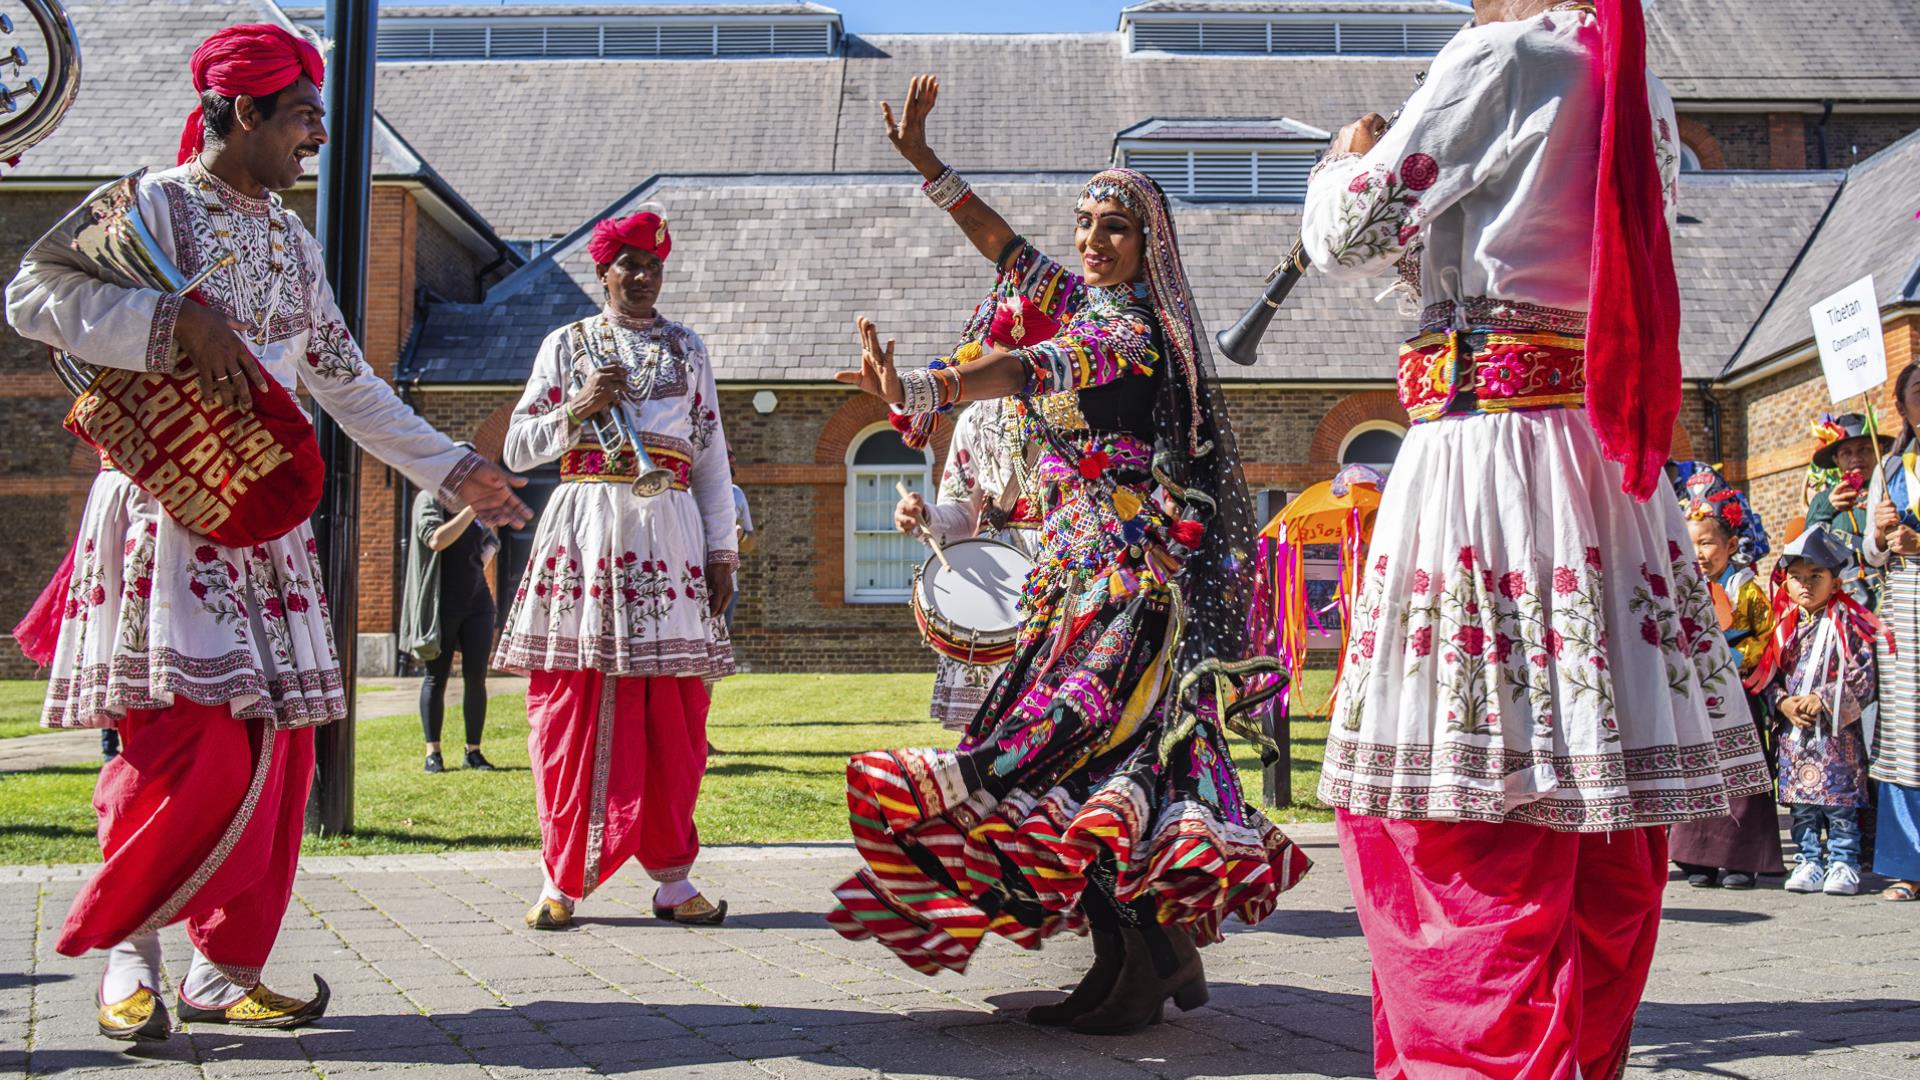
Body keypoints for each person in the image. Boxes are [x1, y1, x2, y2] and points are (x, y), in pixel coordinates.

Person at [2, 24, 531, 1043]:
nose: (317, 137)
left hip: (263, 527)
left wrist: (456, 465)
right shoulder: (151, 204)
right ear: (242, 112)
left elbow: (347, 385)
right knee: (180, 745)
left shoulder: (290, 240)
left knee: (278, 752)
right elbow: (33, 295)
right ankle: (130, 956)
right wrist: (169, 323)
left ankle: (222, 967)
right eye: (300, 116)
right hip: (167, 508)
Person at [1301, 1, 1768, 1075]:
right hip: (1596, 468)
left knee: (1461, 817)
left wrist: (1341, 163)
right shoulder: (1634, 70)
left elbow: (1349, 232)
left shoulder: (1504, 55)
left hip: (1488, 462)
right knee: (1595, 812)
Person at [825, 74, 1309, 1037]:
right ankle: (1142, 960)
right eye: (1085, 223)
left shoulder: (1126, 333)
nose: (1092, 240)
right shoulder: (1086, 304)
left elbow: (1025, 367)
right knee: (1083, 770)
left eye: (1113, 228)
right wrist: (927, 161)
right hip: (1079, 576)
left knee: (1073, 760)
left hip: (1121, 586)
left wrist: (929, 385)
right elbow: (1003, 248)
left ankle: (1146, 965)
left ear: (1148, 246)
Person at [493, 209, 737, 931]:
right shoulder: (565, 345)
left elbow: (714, 463)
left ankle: (672, 878)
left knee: (676, 713)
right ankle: (559, 879)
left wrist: (721, 552)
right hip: (587, 534)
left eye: (653, 266)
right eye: (629, 264)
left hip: (670, 542)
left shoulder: (688, 349)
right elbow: (516, 448)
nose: (641, 277)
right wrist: (578, 407)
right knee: (571, 706)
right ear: (604, 273)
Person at [892, 397, 1041, 730]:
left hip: (1065, 561)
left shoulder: (1081, 402)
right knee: (992, 732)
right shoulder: (976, 417)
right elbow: (961, 514)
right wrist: (924, 516)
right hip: (996, 576)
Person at [1669, 475, 1784, 888]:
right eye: (1691, 543)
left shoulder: (1745, 589)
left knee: (1741, 774)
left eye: (1707, 543)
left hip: (1736, 688)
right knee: (1697, 770)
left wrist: (1732, 659)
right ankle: (1695, 856)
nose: (1699, 553)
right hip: (1695, 693)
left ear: (1732, 546)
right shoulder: (1678, 588)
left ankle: (1741, 858)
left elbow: (1767, 635)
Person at [1752, 527, 1880, 897]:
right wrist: (1782, 702)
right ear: (1785, 583)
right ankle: (1809, 860)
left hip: (1836, 736)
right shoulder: (1784, 628)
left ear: (1836, 581)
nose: (1805, 585)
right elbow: (1768, 675)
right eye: (1797, 578)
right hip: (1794, 735)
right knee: (1803, 808)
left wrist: (1824, 697)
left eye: (1815, 577)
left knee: (1839, 807)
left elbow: (1864, 673)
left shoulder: (1850, 625)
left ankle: (1844, 861)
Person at [401, 455, 501, 773]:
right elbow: (436, 540)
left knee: (476, 677)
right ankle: (434, 753)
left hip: (478, 603)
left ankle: (474, 752)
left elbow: (490, 542)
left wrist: (481, 559)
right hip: (440, 604)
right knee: (436, 677)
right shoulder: (430, 499)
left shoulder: (473, 506)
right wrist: (471, 508)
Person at [1862, 361, 1920, 902]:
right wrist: (1879, 536)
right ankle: (1909, 863)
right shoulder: (1891, 469)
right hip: (1904, 609)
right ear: (1902, 407)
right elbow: (1869, 556)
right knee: (1905, 735)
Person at [1807, 412, 1882, 607]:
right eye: (1846, 453)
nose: (1856, 458)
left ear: (1878, 450)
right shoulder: (1824, 499)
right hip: (1845, 597)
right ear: (1836, 459)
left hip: (1890, 589)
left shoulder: (1891, 488)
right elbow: (1810, 548)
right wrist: (1827, 507)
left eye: (1864, 450)